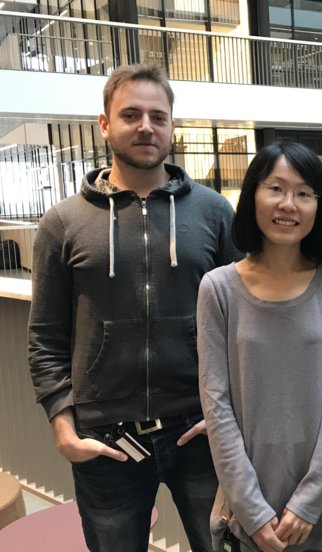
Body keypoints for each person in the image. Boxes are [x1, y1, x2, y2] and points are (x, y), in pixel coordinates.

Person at [27, 64, 241, 552]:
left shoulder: (213, 213)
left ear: (171, 127)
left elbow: (242, 324)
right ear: (105, 124)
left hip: (201, 432)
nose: (146, 126)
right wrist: (63, 427)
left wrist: (230, 414)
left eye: (158, 116)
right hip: (105, 442)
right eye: (131, 114)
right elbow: (45, 337)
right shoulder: (63, 223)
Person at [197, 141, 322, 552]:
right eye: (275, 188)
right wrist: (251, 510)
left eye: (304, 193)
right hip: (247, 503)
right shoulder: (218, 288)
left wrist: (307, 504)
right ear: (253, 194)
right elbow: (216, 404)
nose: (288, 204)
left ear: (318, 206)